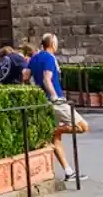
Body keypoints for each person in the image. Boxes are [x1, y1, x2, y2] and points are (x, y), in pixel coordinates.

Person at [28, 34, 86, 182]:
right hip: (55, 100)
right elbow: (47, 79)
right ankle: (53, 130)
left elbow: (25, 76)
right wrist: (54, 96)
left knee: (56, 140)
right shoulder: (49, 58)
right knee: (82, 127)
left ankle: (68, 171)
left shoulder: (34, 58)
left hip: (43, 101)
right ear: (52, 44)